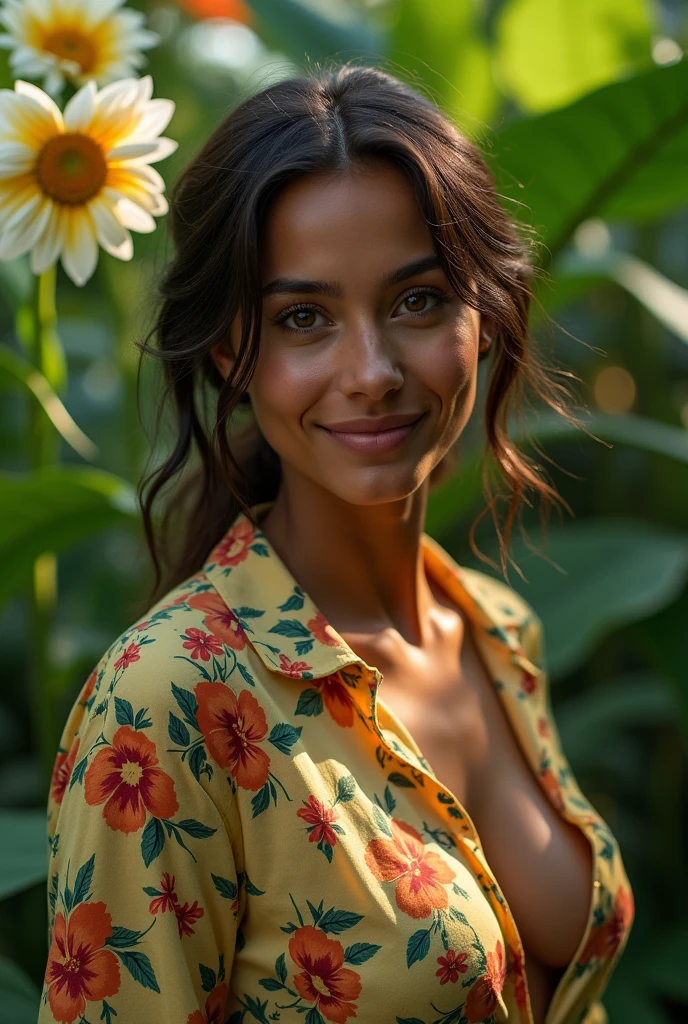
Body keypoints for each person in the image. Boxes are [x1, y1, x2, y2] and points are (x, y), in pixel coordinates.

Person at [38, 64, 634, 1024]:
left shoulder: (497, 631)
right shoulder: (168, 705)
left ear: (483, 315)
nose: (372, 372)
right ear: (233, 352)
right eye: (303, 319)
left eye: (418, 300)